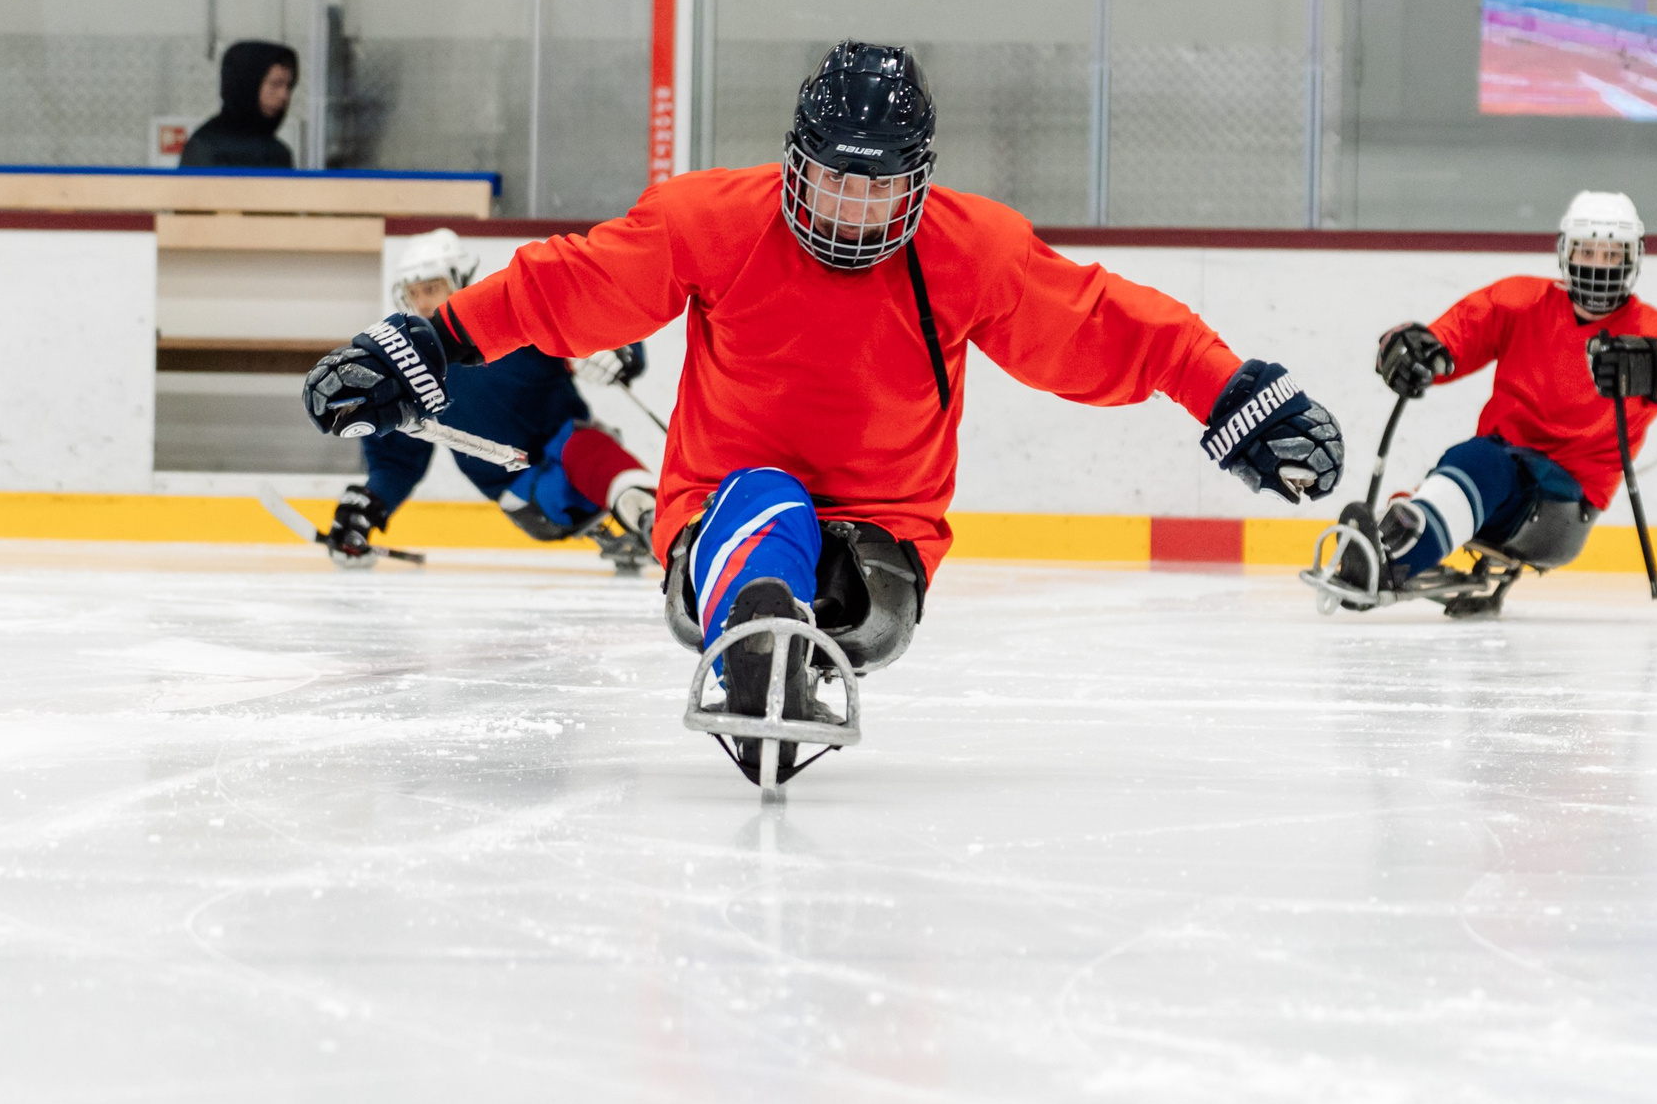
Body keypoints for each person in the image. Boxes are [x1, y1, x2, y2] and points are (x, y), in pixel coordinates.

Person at [299, 40, 1344, 784]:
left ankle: (779, 629)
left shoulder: (969, 250)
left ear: (917, 185)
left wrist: (1232, 392)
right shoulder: (714, 221)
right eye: (834, 183)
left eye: (878, 190)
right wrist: (428, 345)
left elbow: (1102, 322)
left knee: (831, 557)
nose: (852, 210)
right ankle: (756, 627)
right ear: (795, 161)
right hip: (724, 513)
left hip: (888, 540)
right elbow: (568, 284)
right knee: (768, 500)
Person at [1332, 189, 1657, 613]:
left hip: (1564, 508)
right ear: (1564, 252)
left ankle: (1394, 558)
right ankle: (1405, 527)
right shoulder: (1520, 302)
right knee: (1474, 465)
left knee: (1481, 462)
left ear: (1633, 258)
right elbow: (1454, 339)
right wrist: (1416, 349)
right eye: (1586, 250)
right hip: (1497, 475)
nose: (1597, 266)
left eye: (1611, 255)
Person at [323, 227, 659, 572]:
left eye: (431, 288)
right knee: (583, 454)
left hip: (574, 455)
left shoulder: (513, 317)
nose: (422, 303)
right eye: (413, 293)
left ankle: (655, 517)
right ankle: (653, 516)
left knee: (583, 448)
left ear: (461, 281)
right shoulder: (410, 368)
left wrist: (622, 351)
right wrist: (366, 509)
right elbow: (398, 462)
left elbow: (598, 325)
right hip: (524, 494)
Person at [180, 40, 300, 170]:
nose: (284, 95)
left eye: (289, 86)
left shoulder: (279, 152)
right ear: (247, 85)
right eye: (275, 84)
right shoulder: (206, 147)